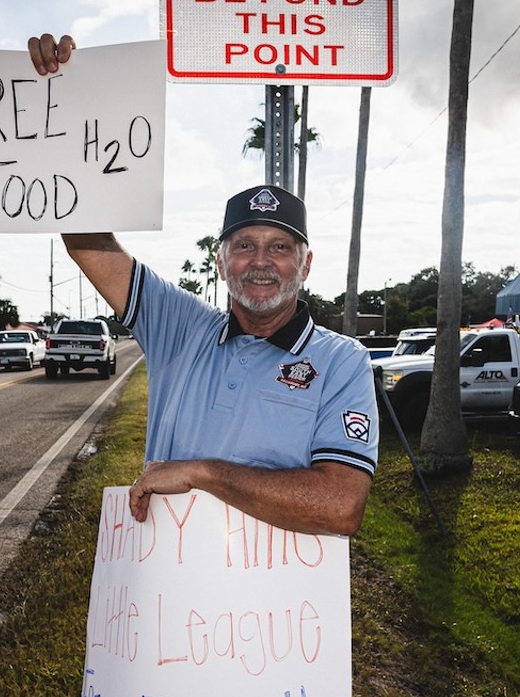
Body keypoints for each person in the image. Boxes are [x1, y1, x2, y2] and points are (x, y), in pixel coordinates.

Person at [27, 32, 379, 537]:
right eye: (243, 245)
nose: (260, 262)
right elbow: (87, 242)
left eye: (280, 247)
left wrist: (205, 473)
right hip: (167, 591)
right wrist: (62, 99)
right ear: (221, 262)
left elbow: (340, 506)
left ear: (305, 266)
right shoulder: (181, 326)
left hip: (276, 610)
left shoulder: (342, 360)